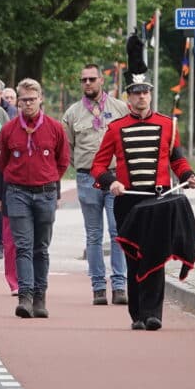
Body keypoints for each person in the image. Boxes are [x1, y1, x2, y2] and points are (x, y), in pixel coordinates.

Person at [90, 43, 195, 331]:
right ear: (129, 97)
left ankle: (154, 314)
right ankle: (137, 313)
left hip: (159, 200)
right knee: (134, 258)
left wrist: (188, 176)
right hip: (128, 202)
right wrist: (111, 182)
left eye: (145, 92)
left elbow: (177, 159)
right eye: (136, 93)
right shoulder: (115, 128)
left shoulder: (167, 124)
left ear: (151, 95)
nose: (141, 97)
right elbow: (98, 167)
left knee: (157, 257)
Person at [0, 78, 69, 319]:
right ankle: (25, 296)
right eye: (23, 100)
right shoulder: (8, 129)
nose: (27, 104)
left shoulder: (55, 128)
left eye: (32, 99)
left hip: (45, 192)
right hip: (17, 192)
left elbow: (63, 160)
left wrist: (50, 181)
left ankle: (40, 297)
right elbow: (2, 162)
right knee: (23, 246)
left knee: (41, 248)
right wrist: (0, 194)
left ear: (40, 100)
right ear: (17, 101)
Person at [62, 63, 130, 304]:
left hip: (115, 178)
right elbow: (67, 147)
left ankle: (120, 285)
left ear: (102, 80)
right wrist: (82, 166)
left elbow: (129, 139)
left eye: (92, 79)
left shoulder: (120, 108)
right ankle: (98, 287)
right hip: (87, 178)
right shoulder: (72, 113)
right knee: (93, 234)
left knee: (117, 232)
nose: (88, 83)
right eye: (84, 80)